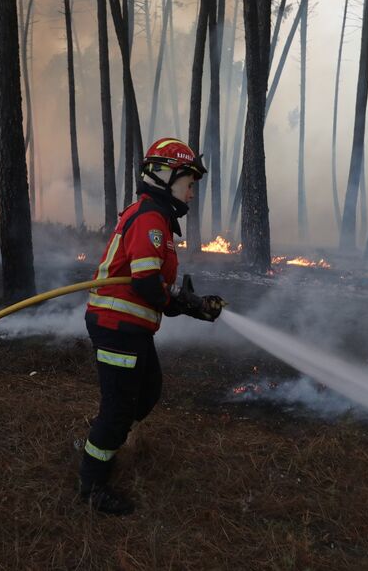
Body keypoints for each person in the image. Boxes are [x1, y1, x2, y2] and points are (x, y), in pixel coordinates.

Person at [79, 137, 225, 515]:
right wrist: (185, 304)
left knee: (147, 391)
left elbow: (154, 287)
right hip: (117, 325)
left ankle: (104, 439)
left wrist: (189, 305)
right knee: (120, 408)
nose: (191, 194)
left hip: (132, 326)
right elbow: (146, 284)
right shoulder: (150, 219)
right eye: (188, 184)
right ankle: (93, 486)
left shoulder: (157, 219)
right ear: (163, 176)